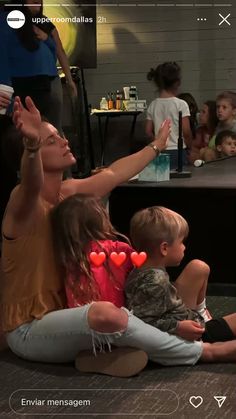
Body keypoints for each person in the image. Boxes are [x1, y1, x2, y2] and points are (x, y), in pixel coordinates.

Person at [2, 97, 236, 378]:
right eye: (51, 141)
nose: (64, 141)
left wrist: (156, 146)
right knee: (107, 314)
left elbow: (114, 173)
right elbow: (31, 185)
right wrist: (30, 147)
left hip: (70, 318)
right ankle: (205, 351)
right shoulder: (23, 203)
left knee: (136, 303)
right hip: (30, 330)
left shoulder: (68, 193)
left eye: (59, 136)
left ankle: (108, 354)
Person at [125, 206, 236, 343]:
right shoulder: (155, 281)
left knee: (198, 267)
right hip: (188, 334)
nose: (184, 247)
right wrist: (177, 327)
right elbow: (143, 322)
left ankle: (203, 315)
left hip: (186, 322)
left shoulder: (142, 270)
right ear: (164, 248)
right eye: (181, 242)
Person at [0, 1, 77, 133]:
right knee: (30, 128)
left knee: (52, 127)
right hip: (25, 82)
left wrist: (70, 80)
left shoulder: (44, 22)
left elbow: (59, 51)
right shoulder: (10, 19)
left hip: (49, 81)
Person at [50, 194, 134, 308]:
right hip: (118, 319)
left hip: (81, 321)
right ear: (102, 221)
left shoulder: (63, 258)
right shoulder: (119, 249)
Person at [146, 62, 192, 169]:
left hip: (159, 150)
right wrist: (190, 146)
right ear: (177, 83)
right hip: (177, 151)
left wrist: (157, 143)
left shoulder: (153, 105)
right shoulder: (181, 104)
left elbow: (148, 132)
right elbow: (186, 131)